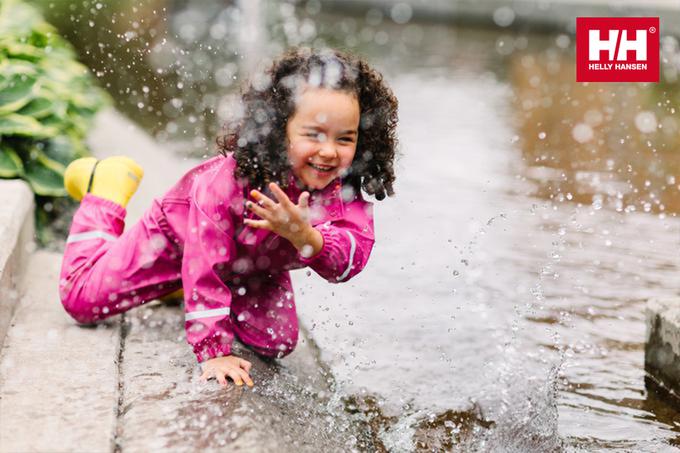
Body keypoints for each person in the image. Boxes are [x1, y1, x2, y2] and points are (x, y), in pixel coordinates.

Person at [59, 47, 398, 389]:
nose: (328, 151)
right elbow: (205, 263)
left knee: (274, 342)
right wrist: (213, 350)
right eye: (314, 134)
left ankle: (178, 287)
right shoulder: (231, 182)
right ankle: (105, 187)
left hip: (251, 266)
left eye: (345, 138)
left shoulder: (342, 190)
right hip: (177, 239)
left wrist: (304, 236)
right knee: (82, 302)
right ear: (281, 129)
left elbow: (345, 263)